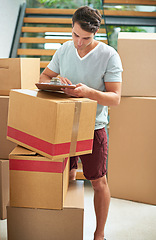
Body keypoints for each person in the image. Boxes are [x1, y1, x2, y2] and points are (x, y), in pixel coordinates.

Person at [39, 6, 123, 240]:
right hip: (63, 123)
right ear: (72, 27)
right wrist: (55, 80)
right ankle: (67, 228)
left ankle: (99, 234)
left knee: (98, 181)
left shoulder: (109, 55)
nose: (78, 42)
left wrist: (87, 92)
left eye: (85, 38)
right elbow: (44, 77)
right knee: (67, 175)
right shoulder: (64, 49)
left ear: (95, 33)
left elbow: (115, 98)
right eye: (75, 35)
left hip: (93, 126)